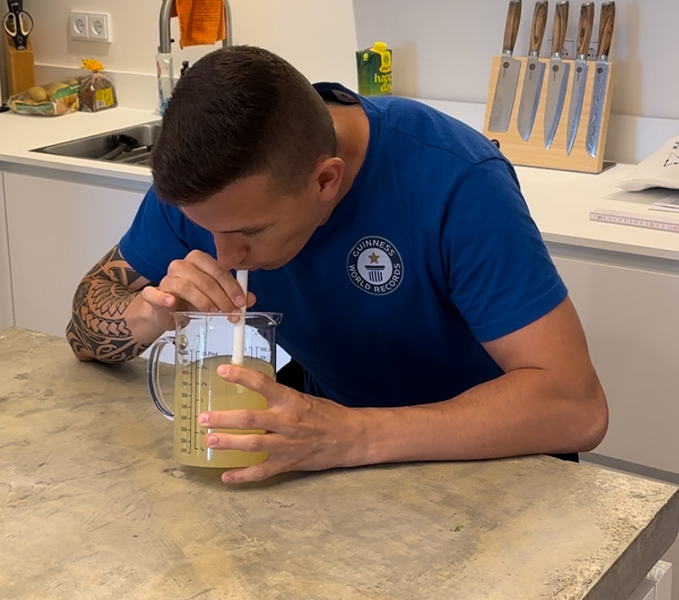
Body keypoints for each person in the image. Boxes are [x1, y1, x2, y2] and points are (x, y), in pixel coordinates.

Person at [66, 45, 608, 484]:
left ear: (326, 180)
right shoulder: (210, 191)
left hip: (499, 467)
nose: (225, 256)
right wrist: (151, 313)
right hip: (335, 465)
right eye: (206, 229)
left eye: (249, 233)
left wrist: (350, 436)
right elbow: (82, 329)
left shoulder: (455, 181)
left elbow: (575, 408)